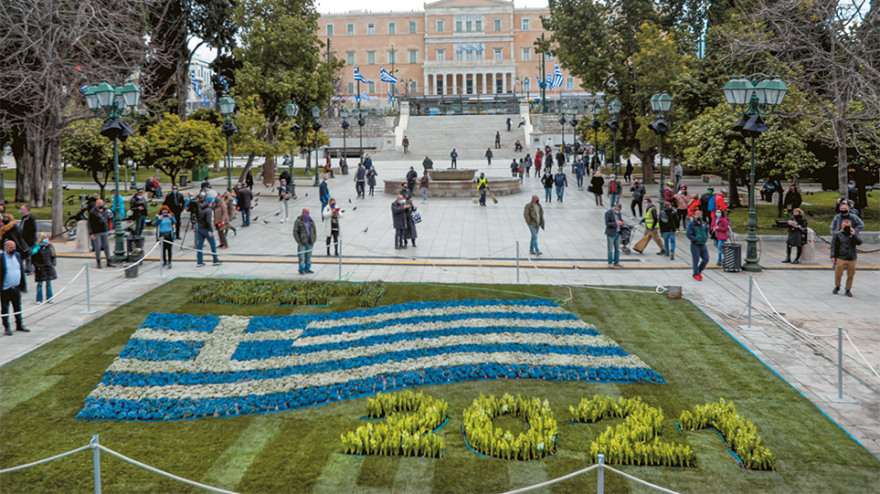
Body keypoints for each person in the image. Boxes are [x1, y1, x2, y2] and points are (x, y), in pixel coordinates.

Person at [1, 240, 28, 336]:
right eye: (11, 247)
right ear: (5, 248)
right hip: (5, 289)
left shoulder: (17, 255)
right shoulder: (1, 258)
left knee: (17, 307)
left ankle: (19, 324)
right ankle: (7, 327)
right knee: (5, 308)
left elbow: (21, 270)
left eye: (14, 247)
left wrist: (23, 285)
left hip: (16, 287)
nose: (13, 249)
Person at [830, 219, 861, 297]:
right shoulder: (838, 234)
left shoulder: (853, 234)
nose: (846, 227)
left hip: (851, 257)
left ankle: (848, 289)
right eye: (844, 225)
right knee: (838, 273)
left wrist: (854, 235)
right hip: (841, 256)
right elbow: (833, 245)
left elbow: (859, 242)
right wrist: (833, 256)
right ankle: (837, 286)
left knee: (851, 274)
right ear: (841, 226)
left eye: (848, 226)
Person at [87, 199, 114, 268]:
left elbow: (108, 218)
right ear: (96, 204)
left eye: (102, 204)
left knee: (106, 246)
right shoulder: (92, 212)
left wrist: (108, 227)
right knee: (98, 247)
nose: (101, 205)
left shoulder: (105, 210)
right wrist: (91, 233)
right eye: (99, 204)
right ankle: (98, 261)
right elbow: (89, 223)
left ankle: (108, 260)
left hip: (104, 230)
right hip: (97, 232)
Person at [195, 197, 220, 267]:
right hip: (207, 229)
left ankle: (199, 261)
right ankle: (215, 260)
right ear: (210, 203)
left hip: (200, 228)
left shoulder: (199, 209)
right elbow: (208, 221)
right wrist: (211, 230)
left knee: (199, 246)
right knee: (212, 244)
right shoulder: (208, 210)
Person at [687, 211, 710, 281]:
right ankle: (695, 274)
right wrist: (695, 239)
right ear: (694, 216)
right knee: (696, 259)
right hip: (695, 244)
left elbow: (706, 231)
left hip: (702, 243)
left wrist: (705, 237)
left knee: (706, 258)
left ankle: (699, 270)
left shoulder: (703, 223)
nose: (699, 216)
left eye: (700, 214)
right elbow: (688, 234)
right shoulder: (692, 224)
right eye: (697, 215)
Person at [32, 234, 56, 303]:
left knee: (48, 283)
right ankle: (39, 299)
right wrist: (37, 265)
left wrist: (53, 263)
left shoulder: (50, 246)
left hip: (48, 267)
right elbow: (33, 257)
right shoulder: (37, 247)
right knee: (40, 284)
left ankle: (49, 298)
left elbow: (53, 255)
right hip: (40, 268)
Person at [293, 208, 316, 273]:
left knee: (308, 257)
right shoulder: (298, 221)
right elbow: (295, 231)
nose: (307, 214)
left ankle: (307, 268)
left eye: (308, 213)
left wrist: (314, 239)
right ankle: (301, 269)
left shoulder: (311, 220)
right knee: (301, 257)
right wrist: (298, 241)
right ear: (303, 213)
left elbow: (314, 230)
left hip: (310, 242)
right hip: (302, 242)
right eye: (306, 213)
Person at [19, 205, 36, 274]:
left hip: (29, 240)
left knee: (29, 255)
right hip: (24, 239)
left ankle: (30, 268)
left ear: (26, 210)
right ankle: (27, 267)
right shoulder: (24, 218)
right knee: (26, 255)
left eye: (21, 209)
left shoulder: (30, 218)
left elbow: (32, 230)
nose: (20, 210)